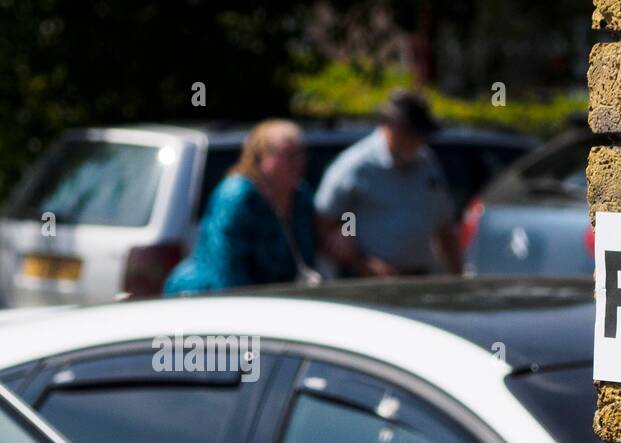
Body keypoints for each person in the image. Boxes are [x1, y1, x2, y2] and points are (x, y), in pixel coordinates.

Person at [313, 89, 460, 277]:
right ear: (390, 126)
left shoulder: (426, 163)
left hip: (418, 278)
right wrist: (361, 262)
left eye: (420, 134)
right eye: (411, 133)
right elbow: (323, 226)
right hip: (367, 282)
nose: (417, 141)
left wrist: (458, 276)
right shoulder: (355, 165)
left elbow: (444, 227)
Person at [165, 120, 318, 295]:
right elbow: (225, 263)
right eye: (288, 155)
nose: (298, 162)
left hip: (272, 301)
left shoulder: (301, 195)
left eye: (301, 154)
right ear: (262, 156)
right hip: (209, 297)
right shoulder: (237, 195)